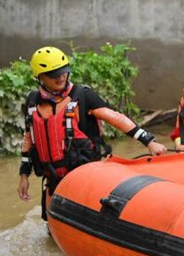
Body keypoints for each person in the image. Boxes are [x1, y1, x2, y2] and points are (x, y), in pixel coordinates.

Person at [18, 46, 168, 217]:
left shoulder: (82, 96)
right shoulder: (32, 102)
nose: (61, 77)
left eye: (63, 71)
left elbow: (115, 118)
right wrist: (24, 175)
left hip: (83, 176)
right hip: (53, 179)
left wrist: (149, 141)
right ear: (40, 77)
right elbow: (29, 138)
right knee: (51, 231)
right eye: (54, 74)